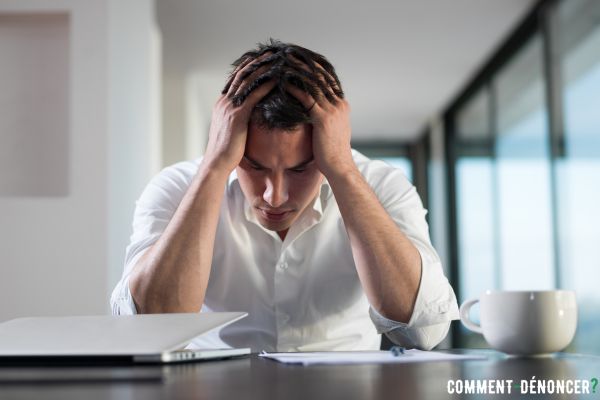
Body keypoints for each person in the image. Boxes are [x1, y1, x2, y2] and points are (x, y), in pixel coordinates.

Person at [111, 39, 459, 352]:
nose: (274, 197)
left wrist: (342, 170)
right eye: (254, 166)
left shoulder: (381, 185)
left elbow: (424, 332)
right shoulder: (175, 188)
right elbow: (145, 329)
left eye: (300, 169)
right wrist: (215, 166)